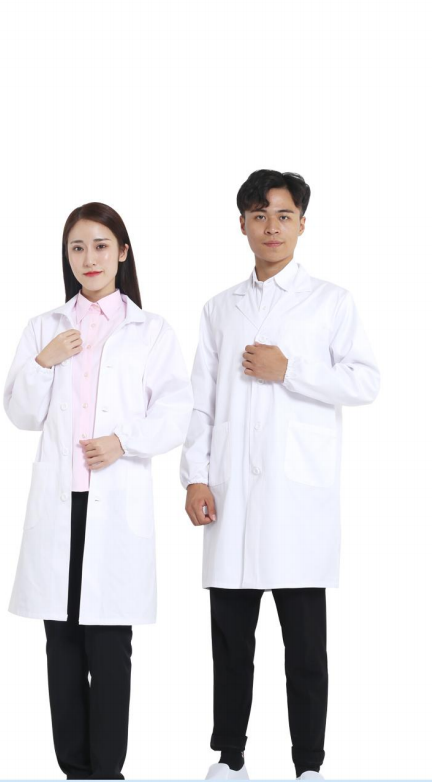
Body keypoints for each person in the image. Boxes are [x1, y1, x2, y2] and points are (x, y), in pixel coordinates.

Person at [181, 170, 380, 781]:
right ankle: (229, 759)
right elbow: (201, 402)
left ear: (302, 224)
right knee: (230, 645)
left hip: (298, 503)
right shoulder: (220, 309)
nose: (272, 227)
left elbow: (365, 381)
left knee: (306, 649)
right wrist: (196, 477)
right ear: (242, 223)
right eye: (259, 215)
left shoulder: (331, 302)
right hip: (232, 499)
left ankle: (308, 766)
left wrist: (289, 369)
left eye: (284, 215)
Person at [4, 202, 191, 779]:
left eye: (101, 245)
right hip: (61, 503)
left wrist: (123, 441)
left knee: (109, 646)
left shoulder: (150, 331)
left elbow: (176, 412)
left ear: (123, 252)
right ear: (67, 257)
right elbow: (20, 412)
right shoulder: (45, 328)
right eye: (78, 248)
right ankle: (74, 771)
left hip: (115, 503)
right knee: (61, 644)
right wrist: (43, 361)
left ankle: (107, 772)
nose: (89, 258)